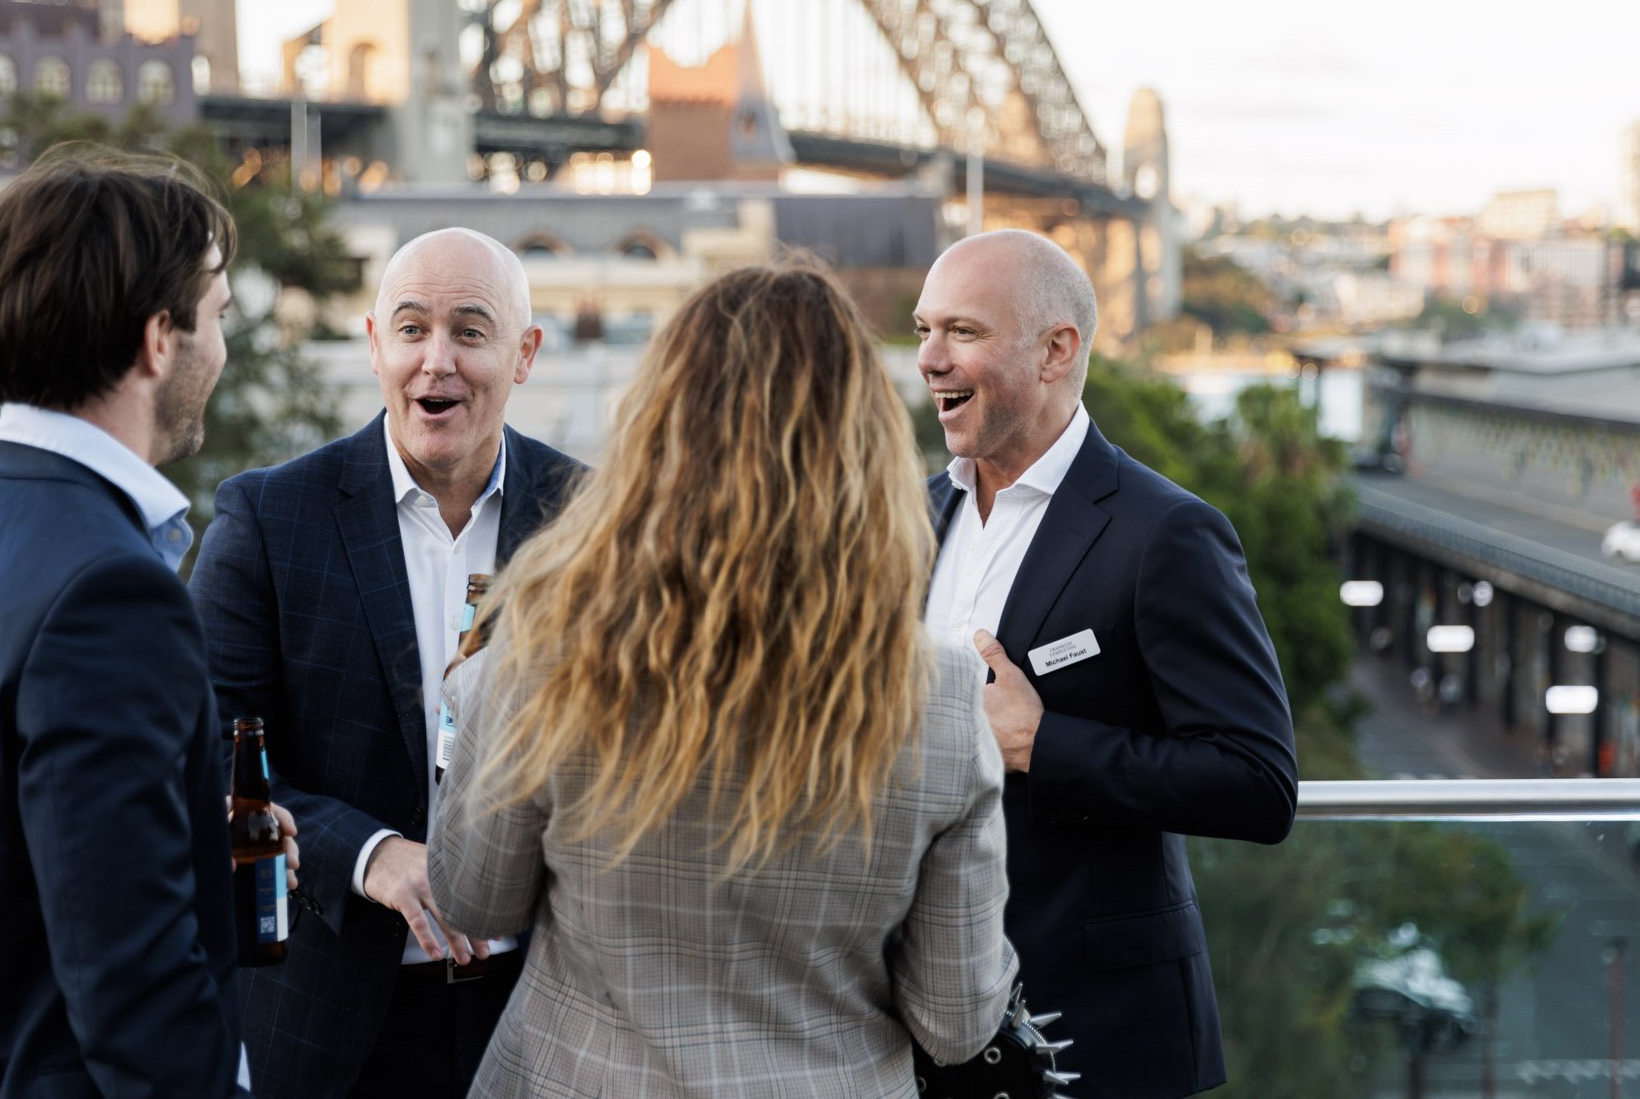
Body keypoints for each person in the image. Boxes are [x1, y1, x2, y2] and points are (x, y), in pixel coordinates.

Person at [428, 260, 1018, 1098]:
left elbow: (477, 901)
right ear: (865, 450)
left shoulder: (546, 653)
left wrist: (470, 691)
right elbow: (957, 1024)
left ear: (660, 432)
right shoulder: (942, 702)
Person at [0, 151, 294, 1098]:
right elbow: (137, 996)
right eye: (221, 316)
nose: (224, 348)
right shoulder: (109, 594)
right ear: (161, 337)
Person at [189, 228, 582, 1097]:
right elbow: (207, 749)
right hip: (329, 1022)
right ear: (374, 345)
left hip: (542, 1014)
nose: (436, 362)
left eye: (470, 333)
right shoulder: (269, 518)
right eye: (411, 330)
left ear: (524, 355)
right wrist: (370, 854)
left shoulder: (592, 519)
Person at [911, 229, 1299, 1099]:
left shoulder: (1166, 533)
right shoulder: (908, 514)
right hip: (913, 1028)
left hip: (1097, 1034)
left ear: (1057, 351)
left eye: (963, 332)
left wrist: (1042, 744)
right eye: (923, 330)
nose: (931, 359)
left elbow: (1257, 783)